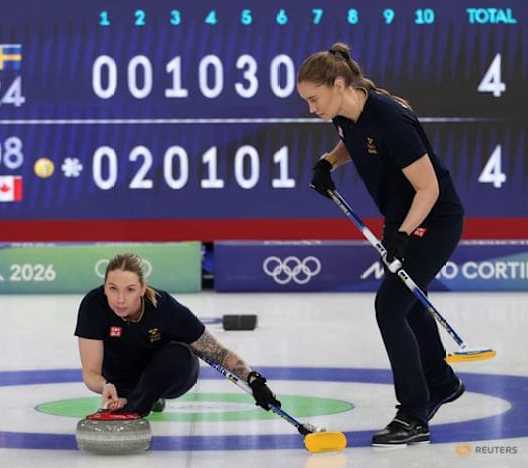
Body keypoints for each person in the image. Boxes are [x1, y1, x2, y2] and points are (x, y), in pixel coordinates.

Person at [297, 42, 466, 447]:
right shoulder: (346, 112)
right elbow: (352, 139)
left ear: (338, 84)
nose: (311, 109)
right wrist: (329, 162)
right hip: (403, 220)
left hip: (433, 220)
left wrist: (403, 235)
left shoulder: (390, 118)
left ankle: (412, 414)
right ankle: (441, 381)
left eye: (314, 99)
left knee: (390, 307)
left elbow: (428, 189)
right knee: (407, 300)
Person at [75, 253, 280, 418]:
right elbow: (91, 371)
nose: (120, 299)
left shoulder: (165, 308)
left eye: (130, 290)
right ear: (104, 288)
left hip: (167, 378)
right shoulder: (94, 306)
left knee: (180, 352)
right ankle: (137, 398)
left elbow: (217, 352)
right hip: (119, 381)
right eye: (112, 289)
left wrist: (254, 380)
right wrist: (105, 386)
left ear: (142, 288)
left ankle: (133, 409)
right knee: (129, 384)